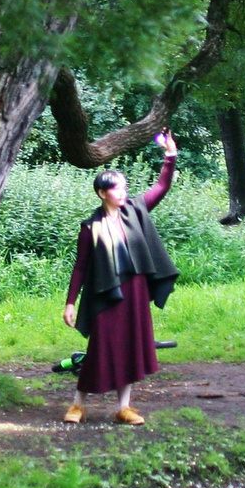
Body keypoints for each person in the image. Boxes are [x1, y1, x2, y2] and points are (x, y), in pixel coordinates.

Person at [62, 131, 179, 425]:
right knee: (100, 347)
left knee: (131, 345)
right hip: (106, 293)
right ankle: (78, 404)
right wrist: (70, 303)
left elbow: (162, 187)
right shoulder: (91, 227)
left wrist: (170, 156)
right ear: (103, 193)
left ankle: (123, 407)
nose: (123, 193)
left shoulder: (136, 209)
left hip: (135, 291)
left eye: (125, 188)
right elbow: (80, 266)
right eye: (117, 189)